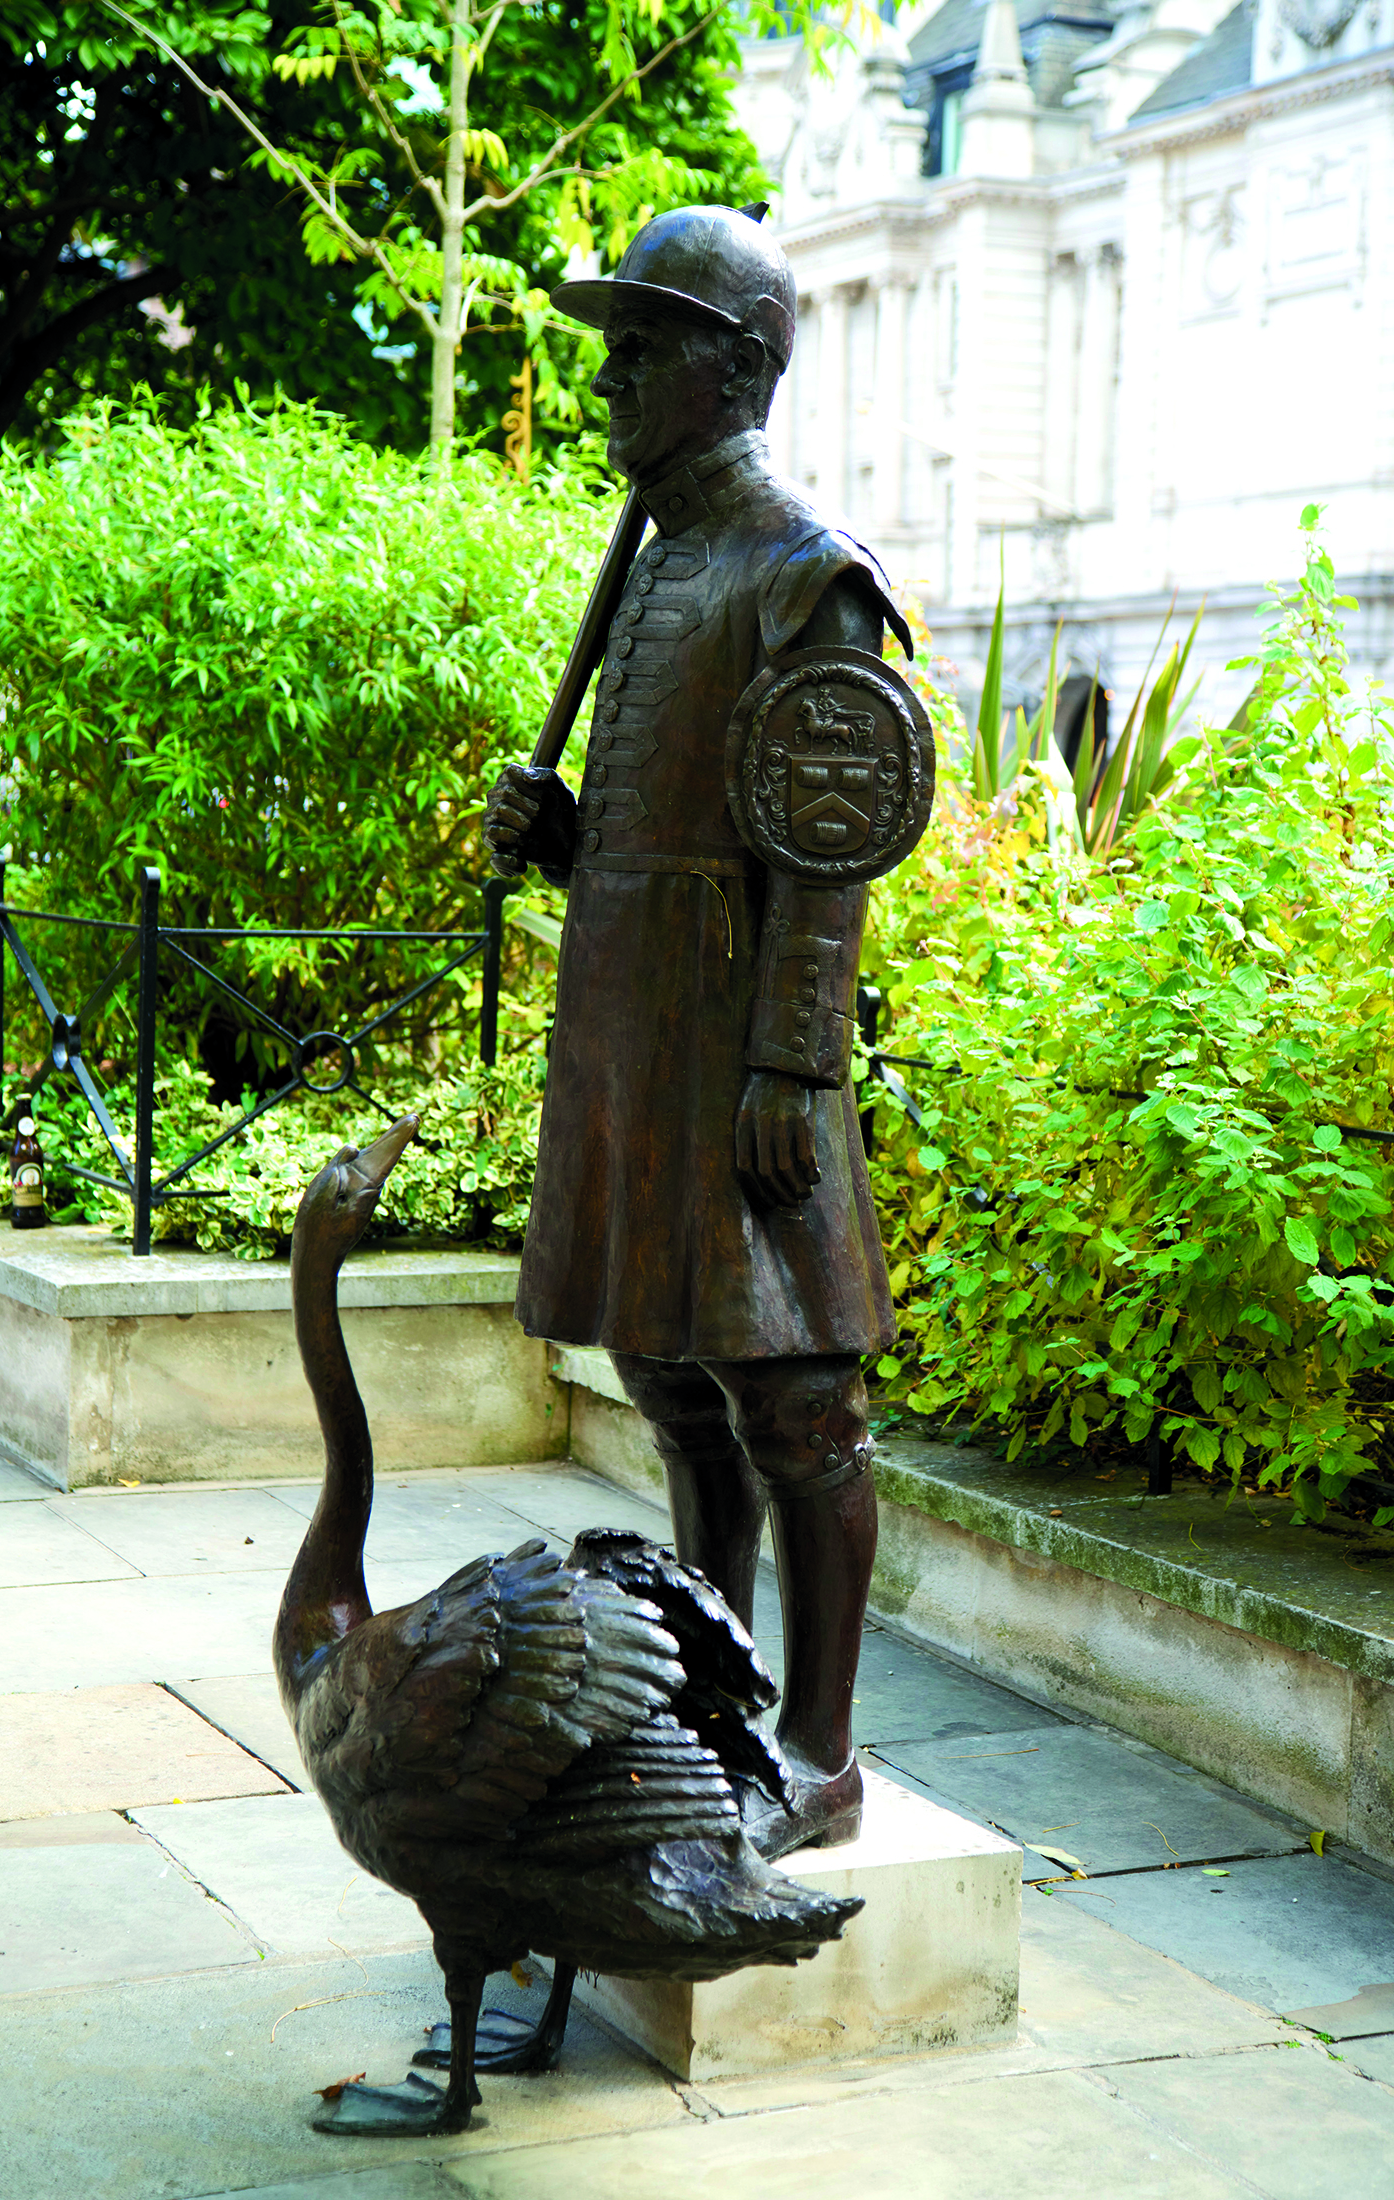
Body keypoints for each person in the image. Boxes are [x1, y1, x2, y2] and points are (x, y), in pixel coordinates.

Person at [482, 205, 930, 1857]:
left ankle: (817, 1745)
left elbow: (829, 836)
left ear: (734, 369)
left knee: (799, 1402)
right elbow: (667, 811)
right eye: (615, 349)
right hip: (633, 1022)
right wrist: (561, 831)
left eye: (646, 347)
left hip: (736, 1035)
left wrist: (788, 1062)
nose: (611, 380)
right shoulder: (664, 556)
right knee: (669, 1375)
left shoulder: (799, 571)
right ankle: (710, 1694)